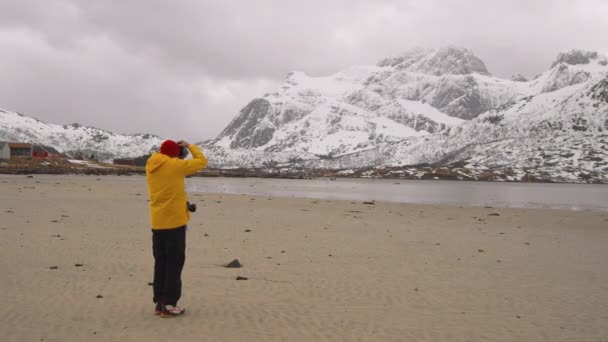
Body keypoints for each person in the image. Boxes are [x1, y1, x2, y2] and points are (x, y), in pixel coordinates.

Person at [145, 139, 208, 318]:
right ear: (175, 154)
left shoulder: (151, 165)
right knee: (174, 265)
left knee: (161, 263)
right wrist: (190, 146)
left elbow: (168, 189)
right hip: (174, 224)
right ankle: (170, 305)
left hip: (158, 222)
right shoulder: (175, 165)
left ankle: (160, 302)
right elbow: (202, 161)